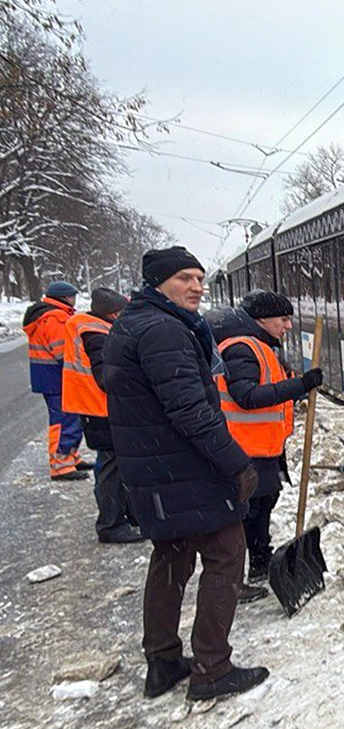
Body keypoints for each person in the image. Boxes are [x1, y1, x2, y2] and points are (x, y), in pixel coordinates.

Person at [104, 246, 268, 701]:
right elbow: (191, 411)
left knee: (171, 556)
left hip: (155, 470)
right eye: (184, 278)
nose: (197, 286)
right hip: (183, 471)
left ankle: (162, 660)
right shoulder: (164, 331)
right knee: (225, 555)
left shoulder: (133, 324)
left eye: (199, 278)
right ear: (158, 283)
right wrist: (236, 462)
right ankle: (212, 669)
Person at [212, 290, 322, 604]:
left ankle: (260, 560)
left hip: (262, 446)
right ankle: (242, 573)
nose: (288, 326)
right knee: (248, 511)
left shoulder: (260, 347)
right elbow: (247, 396)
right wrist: (300, 385)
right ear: (261, 320)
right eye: (283, 319)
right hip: (244, 448)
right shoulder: (241, 349)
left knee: (263, 504)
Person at [62, 287, 143, 543]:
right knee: (112, 467)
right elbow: (107, 376)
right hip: (100, 408)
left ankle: (123, 515)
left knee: (113, 465)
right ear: (113, 312)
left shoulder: (91, 326)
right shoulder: (96, 332)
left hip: (95, 407)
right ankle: (111, 524)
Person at [23, 281, 90, 481]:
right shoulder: (56, 318)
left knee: (68, 419)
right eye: (72, 296)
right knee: (64, 421)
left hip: (49, 377)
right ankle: (61, 465)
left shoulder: (45, 315)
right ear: (65, 297)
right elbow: (64, 351)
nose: (74, 299)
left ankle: (70, 457)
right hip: (58, 378)